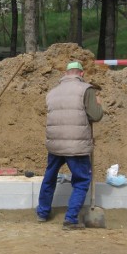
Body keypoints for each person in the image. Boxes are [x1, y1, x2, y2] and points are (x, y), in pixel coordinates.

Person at [36, 60, 104, 230]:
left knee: (49, 178)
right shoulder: (86, 89)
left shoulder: (52, 92)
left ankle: (42, 213)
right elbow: (95, 116)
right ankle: (71, 219)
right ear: (81, 74)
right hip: (76, 144)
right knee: (81, 180)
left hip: (55, 143)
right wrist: (98, 105)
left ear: (66, 74)